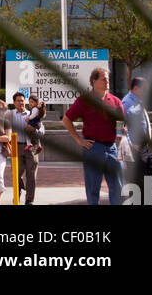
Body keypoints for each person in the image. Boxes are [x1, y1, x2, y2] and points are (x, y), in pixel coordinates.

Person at [63, 66, 126, 205]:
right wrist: (78, 140)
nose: (107, 81)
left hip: (112, 149)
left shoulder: (116, 101)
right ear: (94, 81)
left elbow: (121, 123)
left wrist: (121, 135)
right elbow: (66, 119)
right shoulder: (84, 100)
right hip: (93, 148)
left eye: (108, 79)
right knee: (93, 189)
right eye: (103, 79)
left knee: (118, 188)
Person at [121, 76, 152, 203]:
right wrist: (131, 144)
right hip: (135, 150)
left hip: (145, 148)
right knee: (139, 184)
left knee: (151, 180)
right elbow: (120, 127)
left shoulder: (138, 101)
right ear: (136, 88)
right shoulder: (126, 103)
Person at [8, 91, 39, 205]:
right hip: (16, 147)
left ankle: (29, 200)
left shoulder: (32, 114)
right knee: (16, 174)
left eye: (22, 100)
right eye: (18, 101)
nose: (21, 103)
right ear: (14, 103)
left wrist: (37, 131)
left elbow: (41, 129)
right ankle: (17, 194)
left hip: (31, 148)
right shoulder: (10, 114)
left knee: (31, 175)